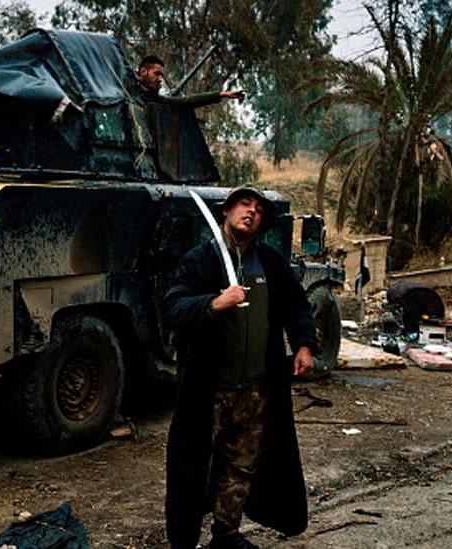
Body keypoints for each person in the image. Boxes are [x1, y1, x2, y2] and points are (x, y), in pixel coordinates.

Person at [163, 187, 316, 549]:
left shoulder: (270, 262)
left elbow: (296, 305)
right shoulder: (201, 260)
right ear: (227, 212)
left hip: (256, 390)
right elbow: (173, 308)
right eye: (244, 205)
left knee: (240, 466)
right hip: (208, 391)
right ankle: (184, 542)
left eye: (259, 209)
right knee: (194, 470)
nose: (251, 212)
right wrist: (215, 302)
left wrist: (304, 345)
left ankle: (226, 535)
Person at [130, 55, 246, 107]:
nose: (160, 79)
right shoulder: (125, 88)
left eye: (161, 75)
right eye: (157, 74)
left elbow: (183, 102)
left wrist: (221, 94)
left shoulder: (153, 97)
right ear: (143, 72)